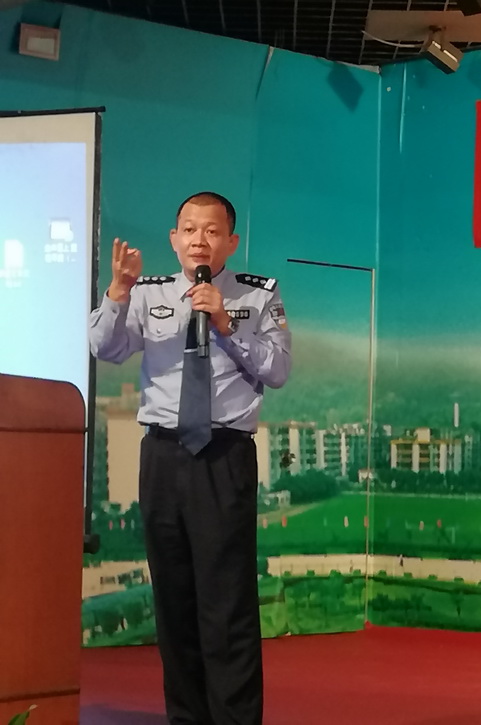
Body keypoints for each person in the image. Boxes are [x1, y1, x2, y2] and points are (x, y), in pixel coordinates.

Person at [89, 191, 292, 725]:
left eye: (211, 230)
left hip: (223, 457)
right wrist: (117, 290)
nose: (199, 240)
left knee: (227, 605)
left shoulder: (258, 296)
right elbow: (104, 347)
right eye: (189, 229)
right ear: (174, 239)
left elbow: (277, 370)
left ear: (231, 241)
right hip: (162, 456)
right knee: (174, 602)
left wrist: (226, 322)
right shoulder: (146, 292)